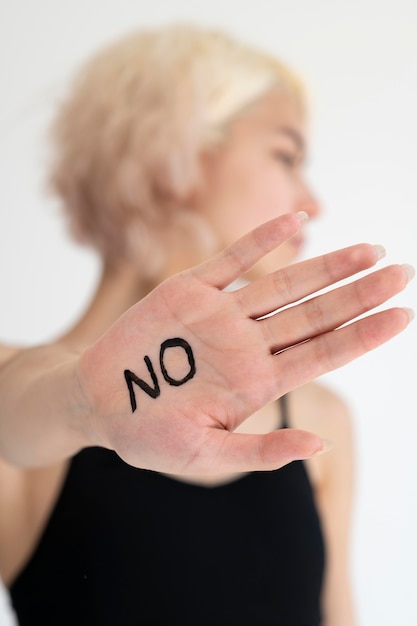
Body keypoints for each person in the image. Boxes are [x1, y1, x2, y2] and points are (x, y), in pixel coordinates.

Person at [0, 23, 413, 626]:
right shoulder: (23, 391)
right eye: (286, 155)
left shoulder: (320, 421)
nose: (313, 201)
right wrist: (84, 403)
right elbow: (17, 415)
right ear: (179, 154)